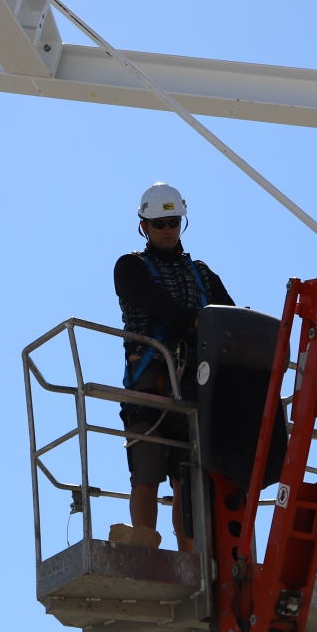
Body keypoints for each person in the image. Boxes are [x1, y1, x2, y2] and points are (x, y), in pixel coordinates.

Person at [113, 182, 234, 552]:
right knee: (147, 472)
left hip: (194, 384)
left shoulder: (201, 274)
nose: (167, 230)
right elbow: (157, 305)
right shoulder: (131, 267)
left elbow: (229, 315)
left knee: (188, 477)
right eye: (159, 223)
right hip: (150, 381)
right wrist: (200, 323)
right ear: (144, 226)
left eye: (173, 222)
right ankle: (144, 549)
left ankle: (190, 556)